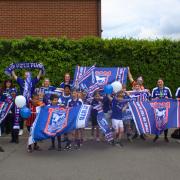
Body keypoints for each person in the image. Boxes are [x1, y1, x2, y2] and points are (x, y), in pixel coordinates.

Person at [12, 70, 42, 135]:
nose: (26, 76)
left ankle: (32, 128)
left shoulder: (32, 81)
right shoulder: (21, 81)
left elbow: (38, 76)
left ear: (30, 75)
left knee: (33, 115)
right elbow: (15, 76)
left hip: (31, 101)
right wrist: (12, 69)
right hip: (23, 101)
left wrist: (40, 69)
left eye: (27, 75)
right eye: (25, 75)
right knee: (21, 115)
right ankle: (21, 129)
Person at [151, 78, 172, 142]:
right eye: (158, 82)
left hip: (165, 109)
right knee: (157, 123)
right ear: (157, 83)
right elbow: (151, 99)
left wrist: (167, 98)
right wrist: (155, 99)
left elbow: (171, 98)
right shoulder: (154, 89)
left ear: (163, 82)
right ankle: (156, 136)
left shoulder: (167, 89)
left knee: (165, 122)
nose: (159, 83)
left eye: (160, 82)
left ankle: (165, 137)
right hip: (157, 109)